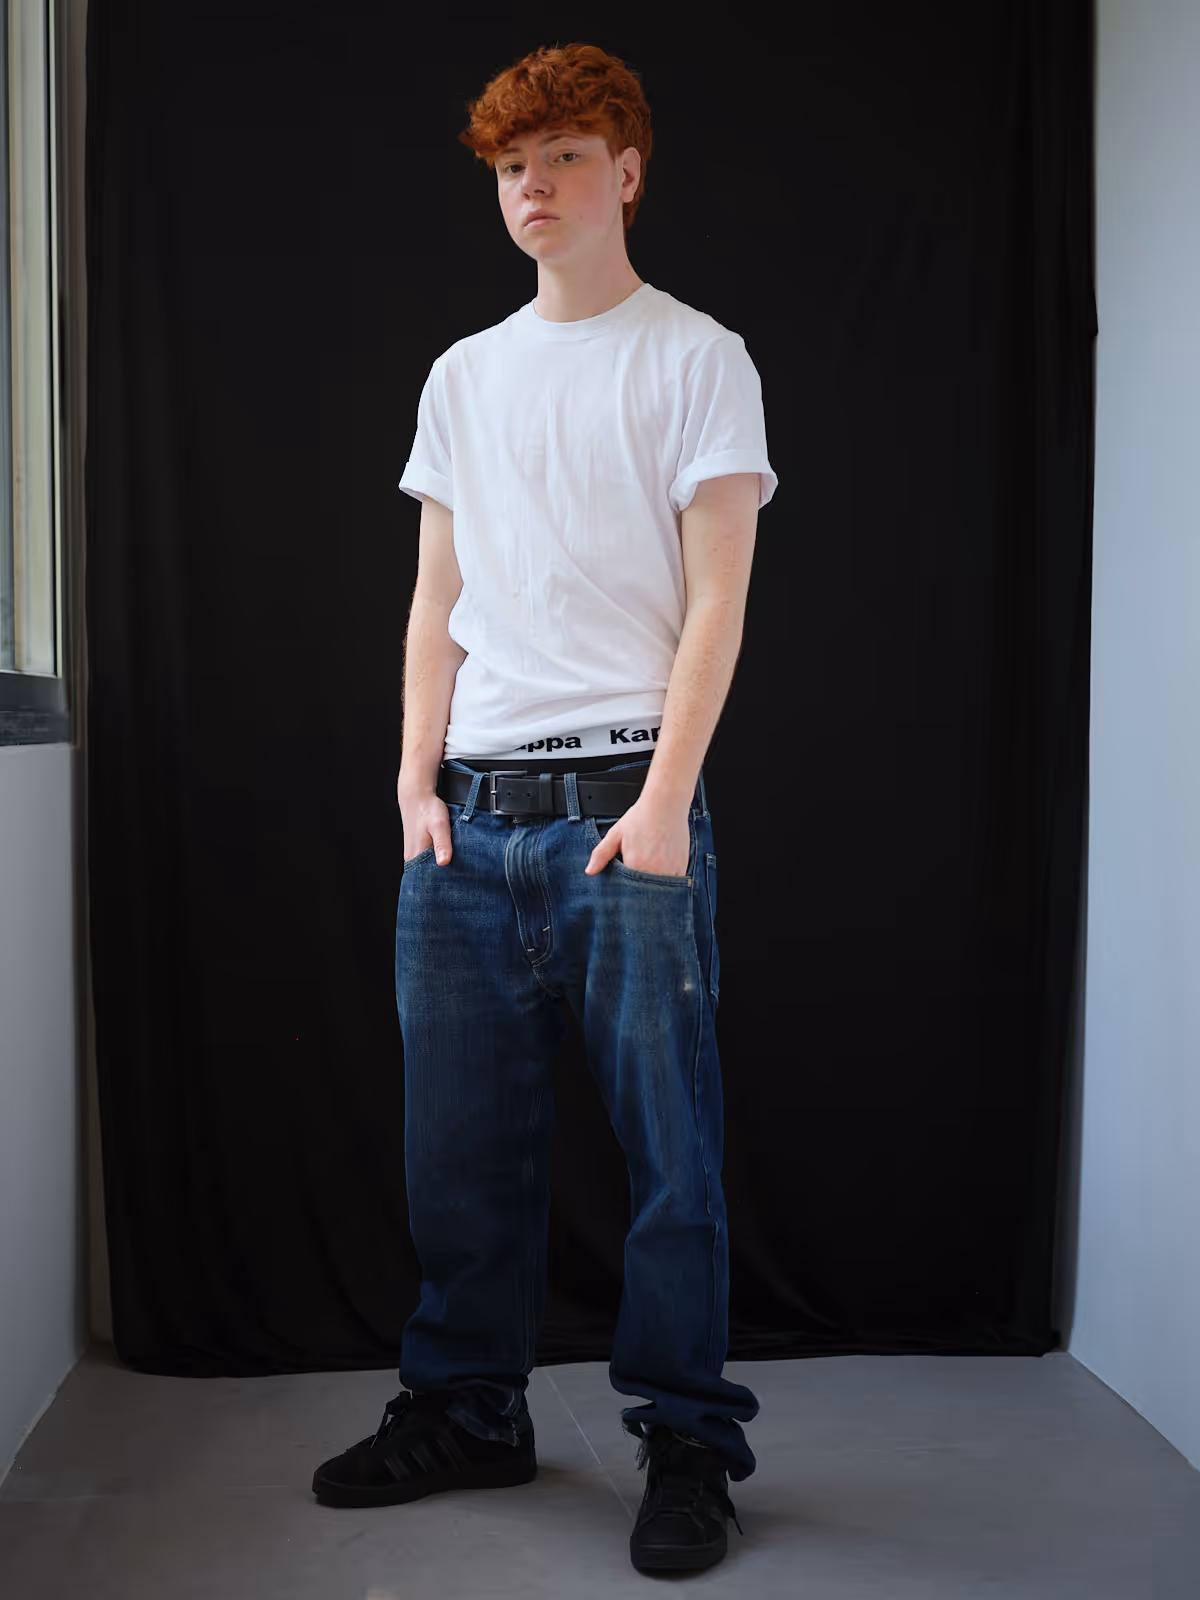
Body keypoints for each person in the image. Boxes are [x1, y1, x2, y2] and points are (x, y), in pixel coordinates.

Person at [312, 41, 777, 1575]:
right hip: (466, 825)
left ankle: (689, 1444)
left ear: (627, 171)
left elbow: (718, 602)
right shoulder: (464, 375)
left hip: (624, 812)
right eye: (515, 165)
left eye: (567, 156)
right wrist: (412, 780)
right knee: (457, 1156)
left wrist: (668, 802)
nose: (536, 186)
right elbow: (435, 596)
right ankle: (469, 1412)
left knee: (671, 1160)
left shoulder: (696, 358)